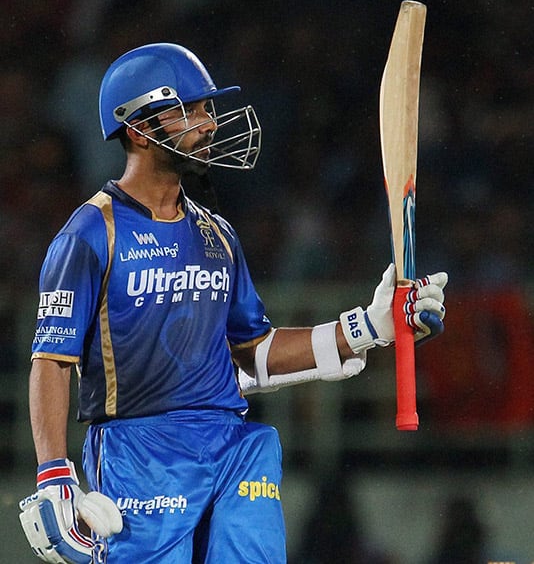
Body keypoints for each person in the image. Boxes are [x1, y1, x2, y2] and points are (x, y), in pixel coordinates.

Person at [18, 42, 447, 563]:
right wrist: (53, 474)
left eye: (209, 109)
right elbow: (52, 359)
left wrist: (369, 326)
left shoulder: (216, 234)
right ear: (137, 129)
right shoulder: (91, 233)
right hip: (141, 454)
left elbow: (255, 351)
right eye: (192, 110)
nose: (210, 123)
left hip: (235, 446)